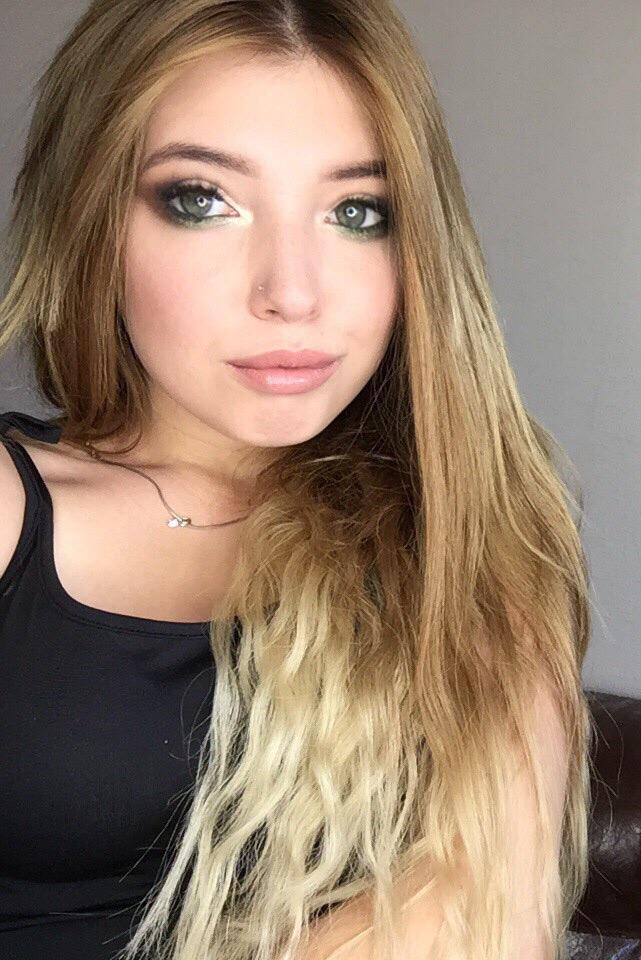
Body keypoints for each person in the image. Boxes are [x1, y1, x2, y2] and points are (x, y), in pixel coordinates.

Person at [0, 2, 592, 959]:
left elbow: (495, 918)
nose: (292, 291)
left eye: (357, 212)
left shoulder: (477, 535)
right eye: (202, 200)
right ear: (90, 219)